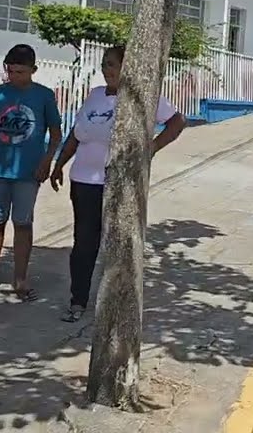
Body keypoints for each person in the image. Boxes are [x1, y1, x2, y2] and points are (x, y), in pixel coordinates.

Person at [49, 45, 187, 323]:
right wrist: (59, 164)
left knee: (117, 245)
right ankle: (78, 300)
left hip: (117, 183)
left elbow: (177, 122)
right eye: (104, 64)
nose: (107, 70)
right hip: (83, 181)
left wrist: (151, 148)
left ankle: (115, 305)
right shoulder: (95, 95)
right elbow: (76, 135)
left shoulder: (141, 97)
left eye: (112, 64)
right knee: (83, 243)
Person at [0, 44, 62, 302]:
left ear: (33, 70)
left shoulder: (44, 96)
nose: (14, 76)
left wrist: (47, 162)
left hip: (28, 173)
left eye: (20, 72)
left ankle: (20, 279)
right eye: (10, 71)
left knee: (22, 223)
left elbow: (56, 134)